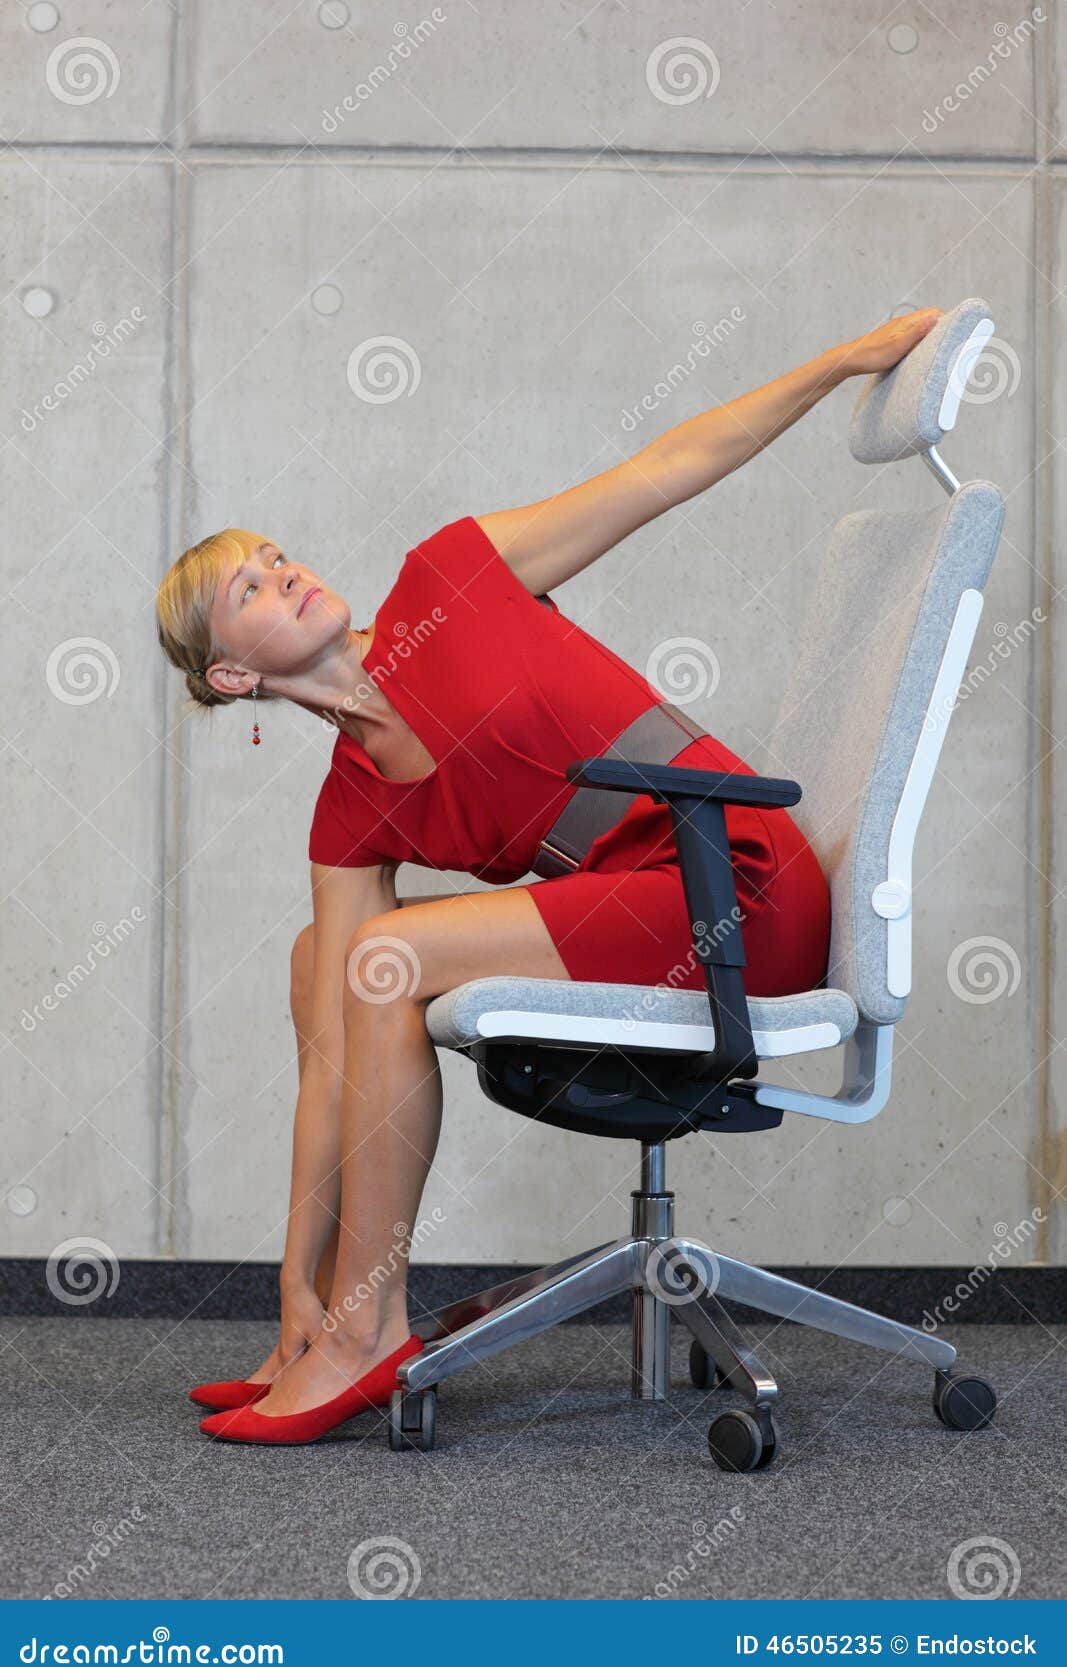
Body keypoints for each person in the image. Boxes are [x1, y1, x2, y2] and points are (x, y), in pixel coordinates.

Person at [154, 307, 944, 1445]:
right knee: (320, 963)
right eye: (253, 589)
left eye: (276, 557)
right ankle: (324, 1323)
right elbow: (330, 1062)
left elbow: (667, 467)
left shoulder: (451, 578)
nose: (285, 572)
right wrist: (290, 1280)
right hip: (629, 912)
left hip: (736, 890)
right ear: (232, 675)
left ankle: (368, 1331)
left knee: (383, 954)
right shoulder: (349, 805)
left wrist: (833, 365)